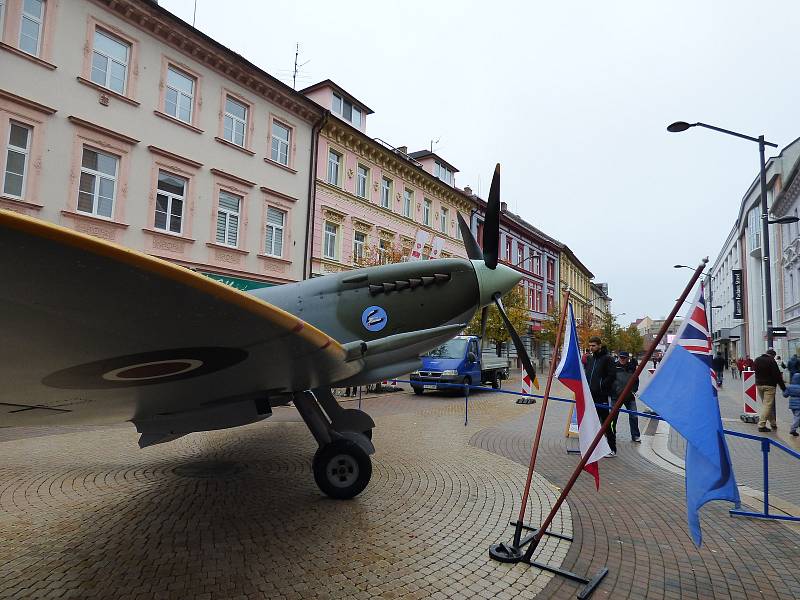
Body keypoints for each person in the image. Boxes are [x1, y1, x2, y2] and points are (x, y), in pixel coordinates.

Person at [584, 335, 615, 455]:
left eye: (593, 346)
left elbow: (612, 376)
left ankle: (612, 448)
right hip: (591, 395)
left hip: (602, 395)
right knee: (592, 421)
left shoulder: (608, 359)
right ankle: (593, 447)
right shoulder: (590, 359)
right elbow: (588, 374)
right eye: (590, 346)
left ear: (599, 345)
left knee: (606, 422)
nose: (591, 348)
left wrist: (601, 386)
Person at [754, 348, 786, 433]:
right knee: (767, 405)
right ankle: (761, 425)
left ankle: (773, 423)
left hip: (759, 385)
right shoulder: (772, 361)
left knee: (767, 405)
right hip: (769, 386)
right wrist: (783, 388)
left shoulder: (757, 360)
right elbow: (777, 376)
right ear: (773, 355)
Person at [611, 351, 641, 442]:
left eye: (624, 358)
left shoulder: (632, 367)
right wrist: (613, 391)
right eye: (621, 357)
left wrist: (633, 390)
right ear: (619, 357)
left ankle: (635, 435)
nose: (622, 359)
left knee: (634, 416)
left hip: (629, 397)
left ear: (628, 359)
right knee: (612, 417)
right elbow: (610, 380)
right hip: (616, 396)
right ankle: (611, 434)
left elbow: (636, 381)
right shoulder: (614, 367)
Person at [782, 373, 800, 437]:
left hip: (792, 405)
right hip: (799, 405)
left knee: (796, 416)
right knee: (797, 417)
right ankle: (793, 429)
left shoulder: (789, 387)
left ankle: (795, 426)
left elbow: (785, 395)